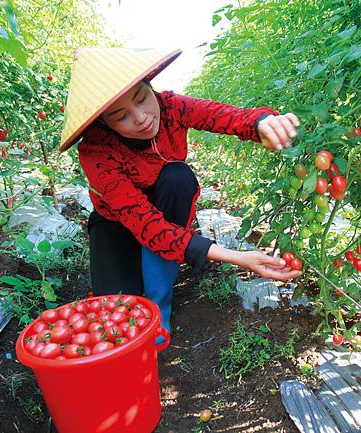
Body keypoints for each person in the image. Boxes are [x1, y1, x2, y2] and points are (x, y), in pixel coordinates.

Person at [59, 48, 301, 341]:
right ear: (102, 122)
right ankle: (138, 274)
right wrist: (237, 257)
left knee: (178, 177)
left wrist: (260, 122)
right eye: (121, 116)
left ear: (151, 86)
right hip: (118, 222)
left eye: (141, 98)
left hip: (167, 202)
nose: (141, 118)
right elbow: (146, 224)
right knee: (117, 318)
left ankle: (160, 307)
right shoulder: (96, 150)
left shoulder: (172, 107)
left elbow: (221, 115)